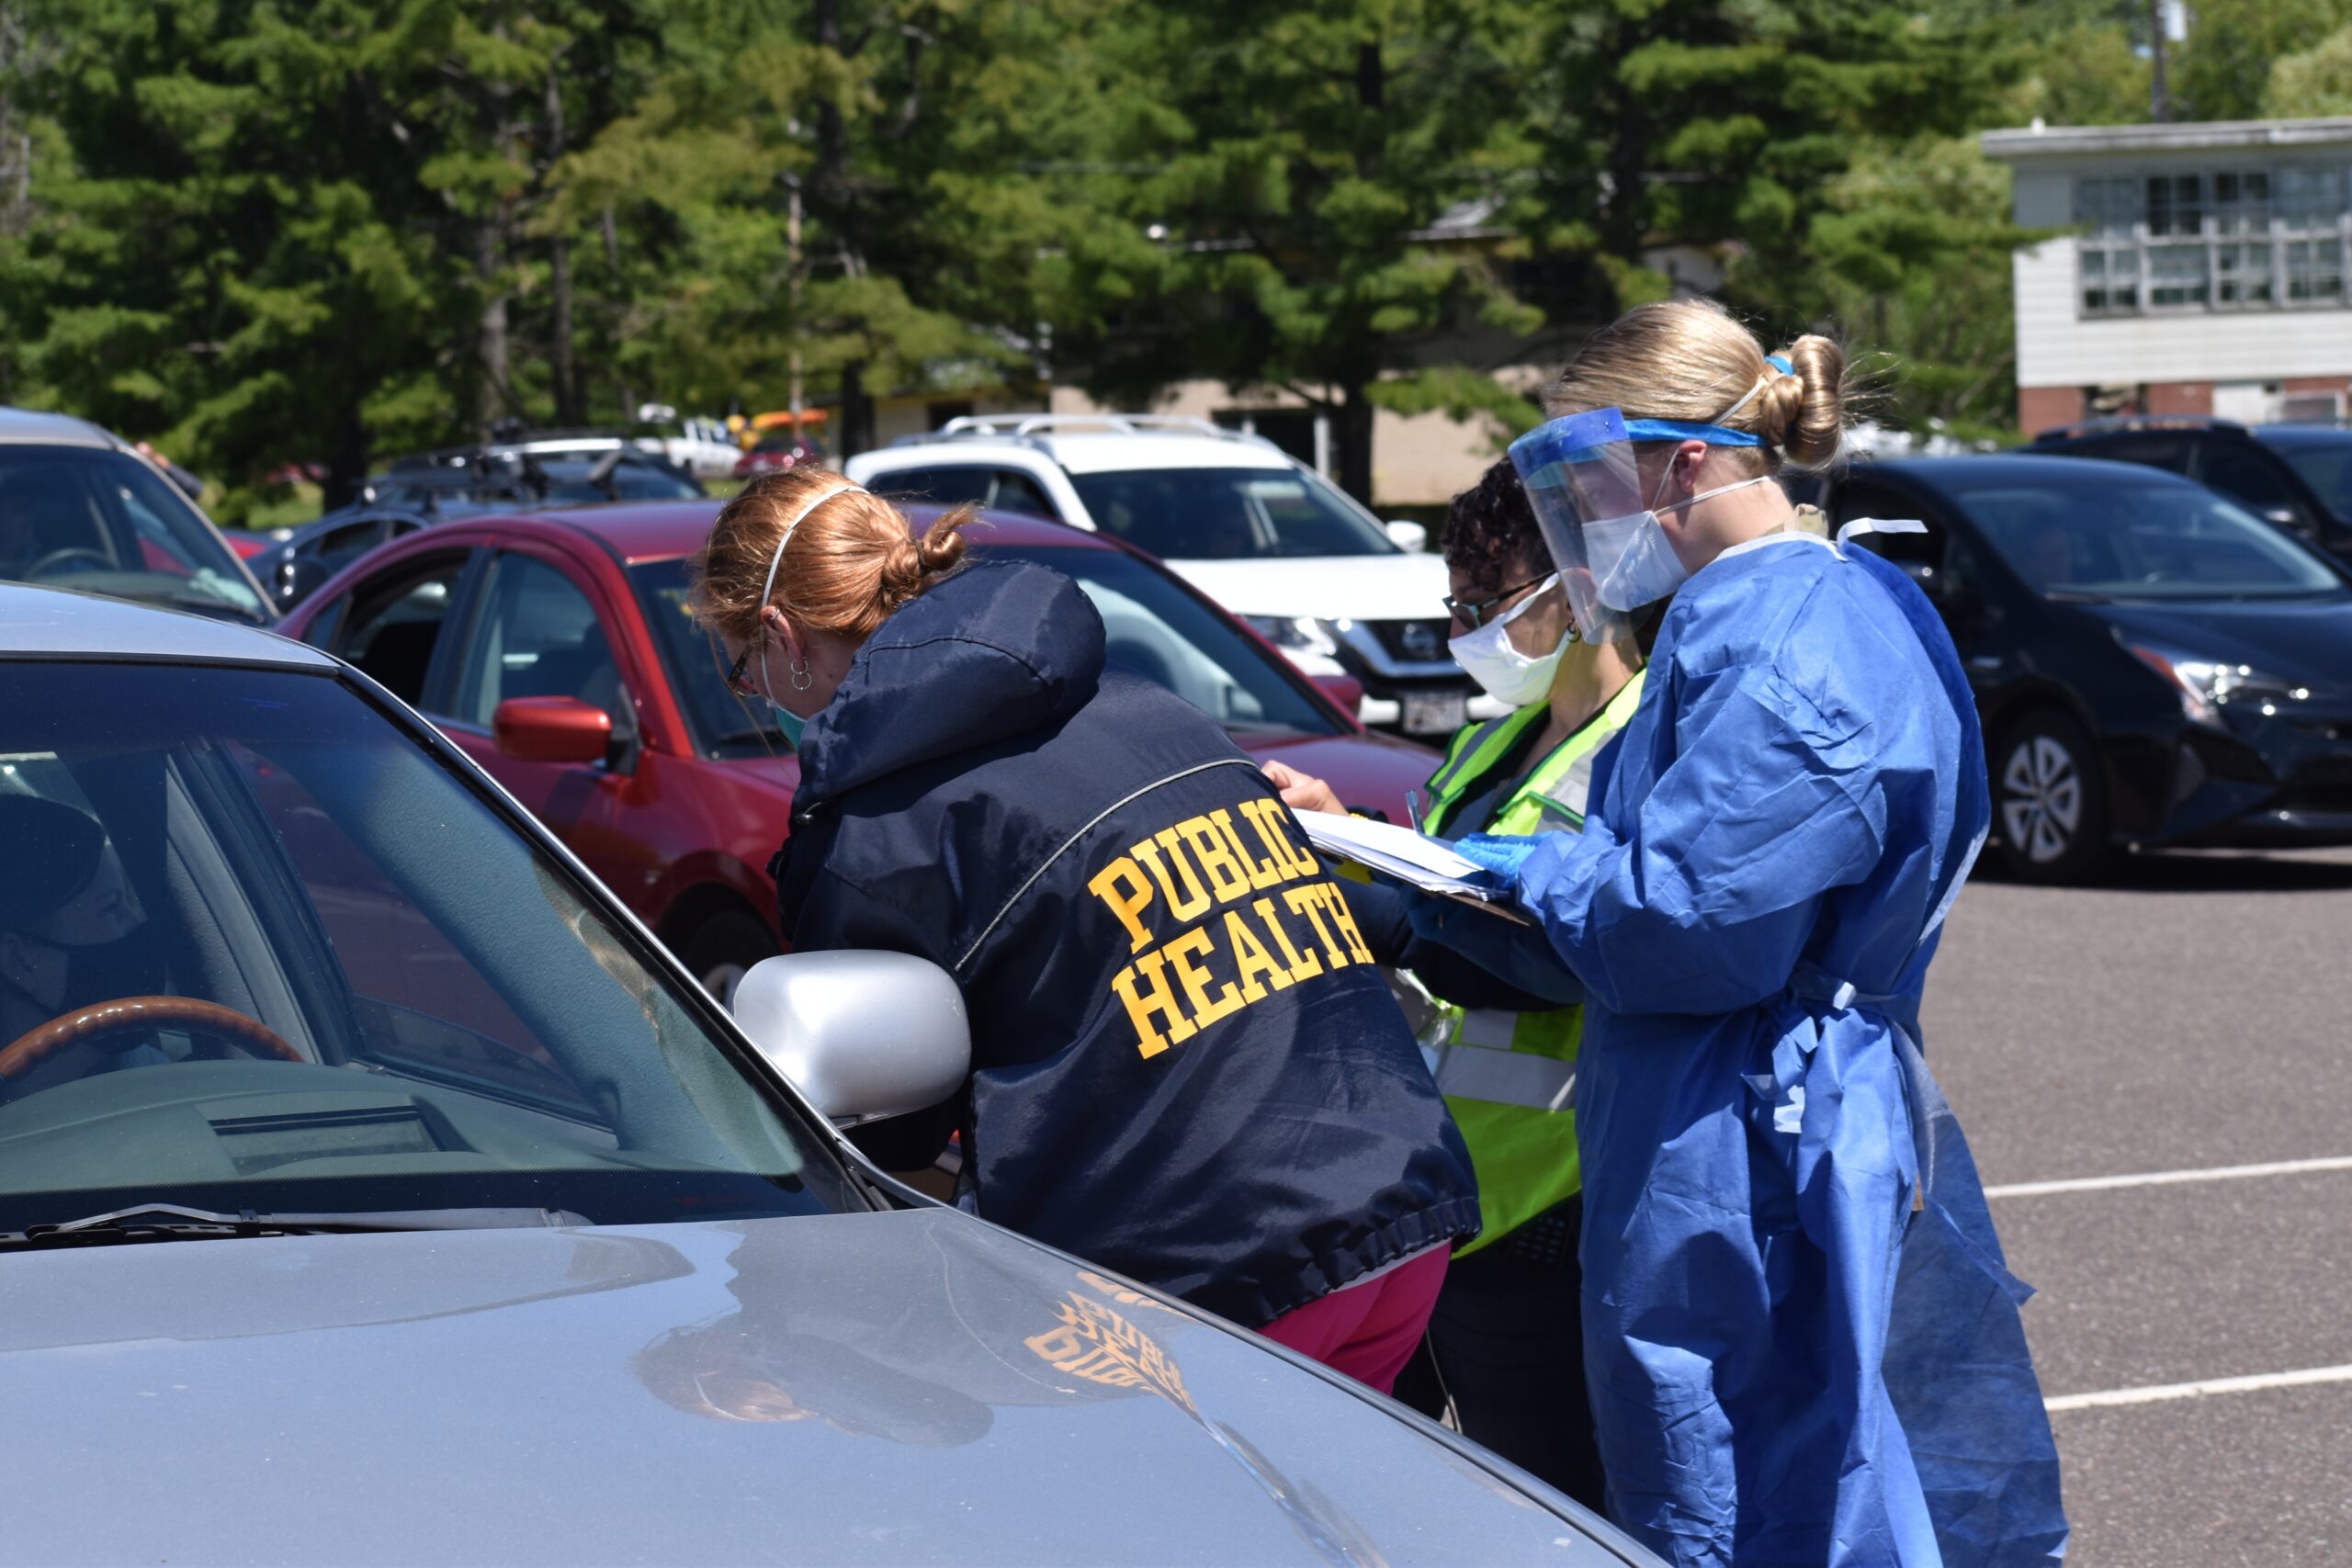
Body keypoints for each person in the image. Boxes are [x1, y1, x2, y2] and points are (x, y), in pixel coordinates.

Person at [1445, 301, 2065, 1566]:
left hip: (1744, 1138)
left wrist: (1508, 870)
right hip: (1739, 1116)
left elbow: (1689, 925)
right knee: (1771, 1466)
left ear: (1680, 462)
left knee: (1740, 1484)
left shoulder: (1781, 639)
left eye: (1583, 478)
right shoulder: (1777, 610)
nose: (1576, 521)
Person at [688, 468, 1479, 1393]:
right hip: (1403, 1200)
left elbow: (882, 1132)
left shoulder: (873, 832)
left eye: (744, 668)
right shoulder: (1141, 703)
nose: (758, 695)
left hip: (1215, 1273)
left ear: (782, 639)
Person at [1263, 459, 1642, 1509]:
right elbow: (1437, 895)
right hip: (1436, 1194)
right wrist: (1338, 828)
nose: (1463, 633)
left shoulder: (1644, 745)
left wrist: (1375, 888)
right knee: (1392, 1496)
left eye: (1485, 607)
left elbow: (1546, 959)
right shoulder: (1494, 739)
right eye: (1453, 607)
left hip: (1550, 1203)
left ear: (1573, 593)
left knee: (1555, 1503)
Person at [0, 794, 171, 1094]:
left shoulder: (155, 1075)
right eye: (111, 907)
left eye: (129, 902)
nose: (136, 925)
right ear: (19, 959)